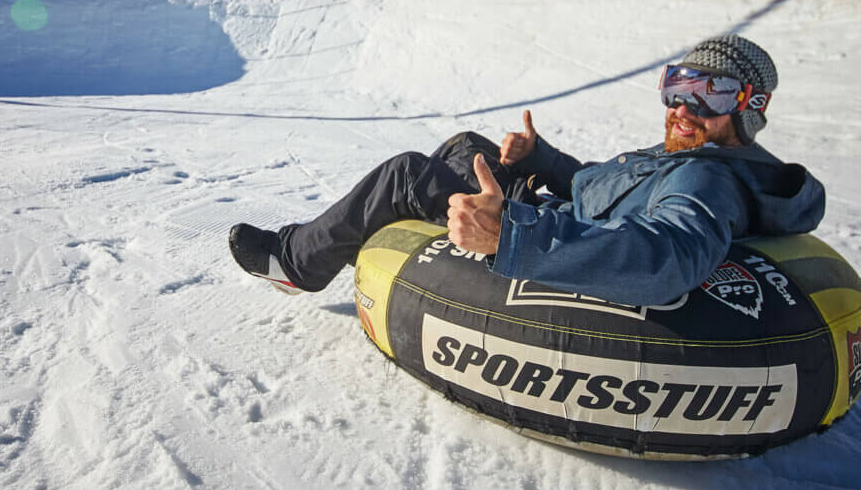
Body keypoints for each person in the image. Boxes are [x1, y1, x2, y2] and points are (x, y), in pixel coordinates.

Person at [228, 34, 825, 307]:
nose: (683, 109)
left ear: (748, 108)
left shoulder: (708, 179)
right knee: (468, 144)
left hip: (540, 227)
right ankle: (416, 255)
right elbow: (610, 194)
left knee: (407, 173)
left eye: (711, 94)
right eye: (677, 87)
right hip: (553, 207)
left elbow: (666, 258)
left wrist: (510, 232)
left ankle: (298, 261)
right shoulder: (691, 158)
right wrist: (541, 159)